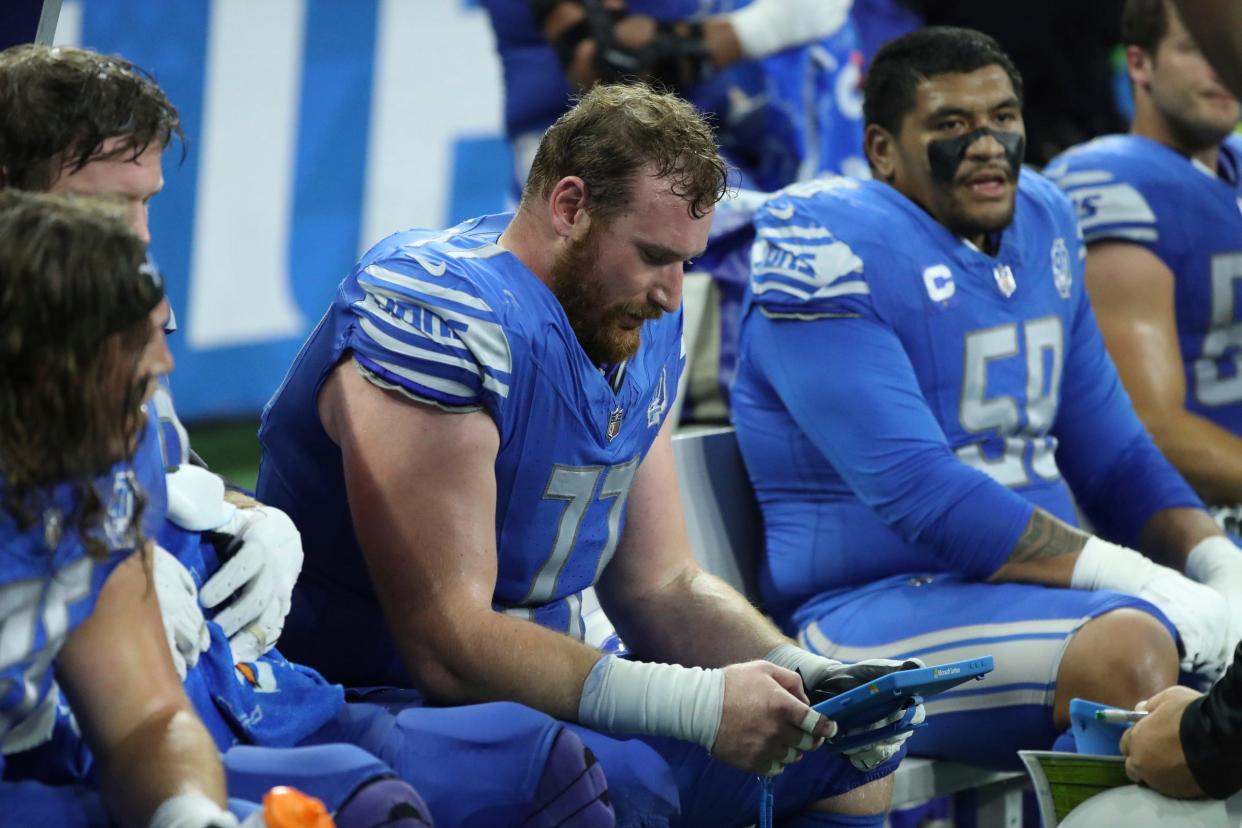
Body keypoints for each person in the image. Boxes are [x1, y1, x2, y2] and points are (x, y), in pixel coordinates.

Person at [259, 82, 925, 828]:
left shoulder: (633, 316)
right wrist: (698, 703)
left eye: (686, 262)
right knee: (617, 782)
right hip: (369, 697)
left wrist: (810, 677)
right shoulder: (436, 314)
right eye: (652, 255)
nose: (673, 295)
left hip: (548, 690)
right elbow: (446, 645)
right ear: (570, 206)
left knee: (840, 753)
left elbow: (660, 585)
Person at [0, 43, 610, 828]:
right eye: (107, 204)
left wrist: (241, 515)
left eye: (147, 202)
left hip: (216, 691)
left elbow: (147, 719)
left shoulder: (89, 364)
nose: (139, 239)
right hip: (64, 755)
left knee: (550, 770)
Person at [729, 26, 1242, 771]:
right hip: (868, 609)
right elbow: (921, 494)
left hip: (1043, 597)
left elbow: (1116, 453)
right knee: (1128, 650)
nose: (987, 143)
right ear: (881, 150)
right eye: (950, 125)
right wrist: (1142, 579)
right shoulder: (824, 246)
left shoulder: (1044, 216)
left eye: (1003, 118)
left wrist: (1212, 562)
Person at [0, 188, 251, 828]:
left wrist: (190, 815)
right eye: (133, 348)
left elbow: (145, 720)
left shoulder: (101, 455)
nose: (163, 364)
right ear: (46, 375)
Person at [1045, 3, 1242, 535]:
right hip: (1187, 521)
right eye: (1195, 50)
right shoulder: (1113, 183)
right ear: (1139, 64)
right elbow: (1146, 428)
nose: (1221, 67)